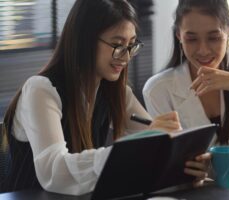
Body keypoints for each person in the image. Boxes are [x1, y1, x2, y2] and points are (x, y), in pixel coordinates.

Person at [0, 0, 209, 195]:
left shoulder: (116, 93)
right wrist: (136, 147)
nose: (126, 57)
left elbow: (158, 148)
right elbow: (54, 172)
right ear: (85, 41)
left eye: (131, 46)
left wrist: (187, 163)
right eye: (118, 45)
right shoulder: (41, 90)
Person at [143, 0, 229, 150]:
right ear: (179, 36)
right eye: (192, 39)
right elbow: (169, 156)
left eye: (213, 38)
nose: (203, 50)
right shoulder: (158, 90)